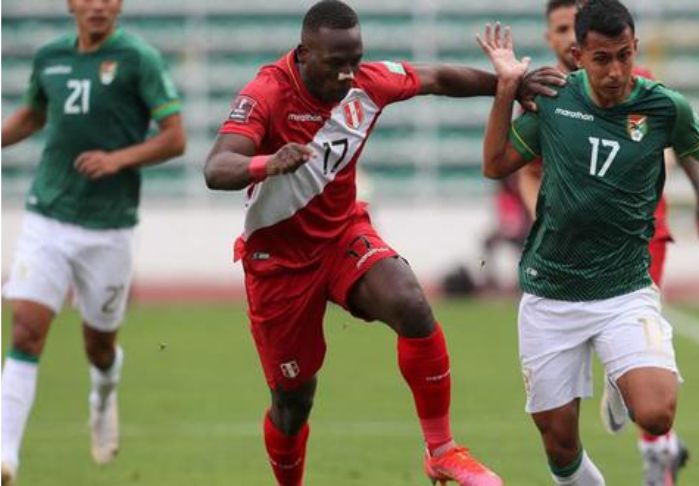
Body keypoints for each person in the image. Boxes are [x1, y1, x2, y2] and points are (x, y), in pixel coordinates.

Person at [203, 1, 561, 484]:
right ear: (304, 54)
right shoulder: (266, 93)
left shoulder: (367, 82)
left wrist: (509, 84)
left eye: (356, 60)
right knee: (293, 402)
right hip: (279, 262)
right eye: (336, 63)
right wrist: (264, 164)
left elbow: (436, 77)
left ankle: (441, 449)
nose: (349, 75)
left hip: (341, 236)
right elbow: (216, 166)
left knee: (411, 304)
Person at [476, 0, 699, 484]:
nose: (616, 71)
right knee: (560, 443)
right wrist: (506, 90)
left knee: (656, 414)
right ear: (578, 54)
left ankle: (622, 369)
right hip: (551, 293)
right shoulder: (554, 100)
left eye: (625, 55)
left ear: (635, 49)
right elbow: (495, 164)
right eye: (602, 59)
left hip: (624, 291)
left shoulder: (662, 105)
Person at [1, 0, 185, 483]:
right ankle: (6, 456)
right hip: (49, 216)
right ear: (71, 5)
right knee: (24, 330)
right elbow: (33, 116)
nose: (98, 6)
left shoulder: (138, 59)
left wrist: (118, 159)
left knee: (99, 347)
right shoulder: (49, 59)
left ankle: (102, 396)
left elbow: (175, 138)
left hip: (109, 228)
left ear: (119, 5)